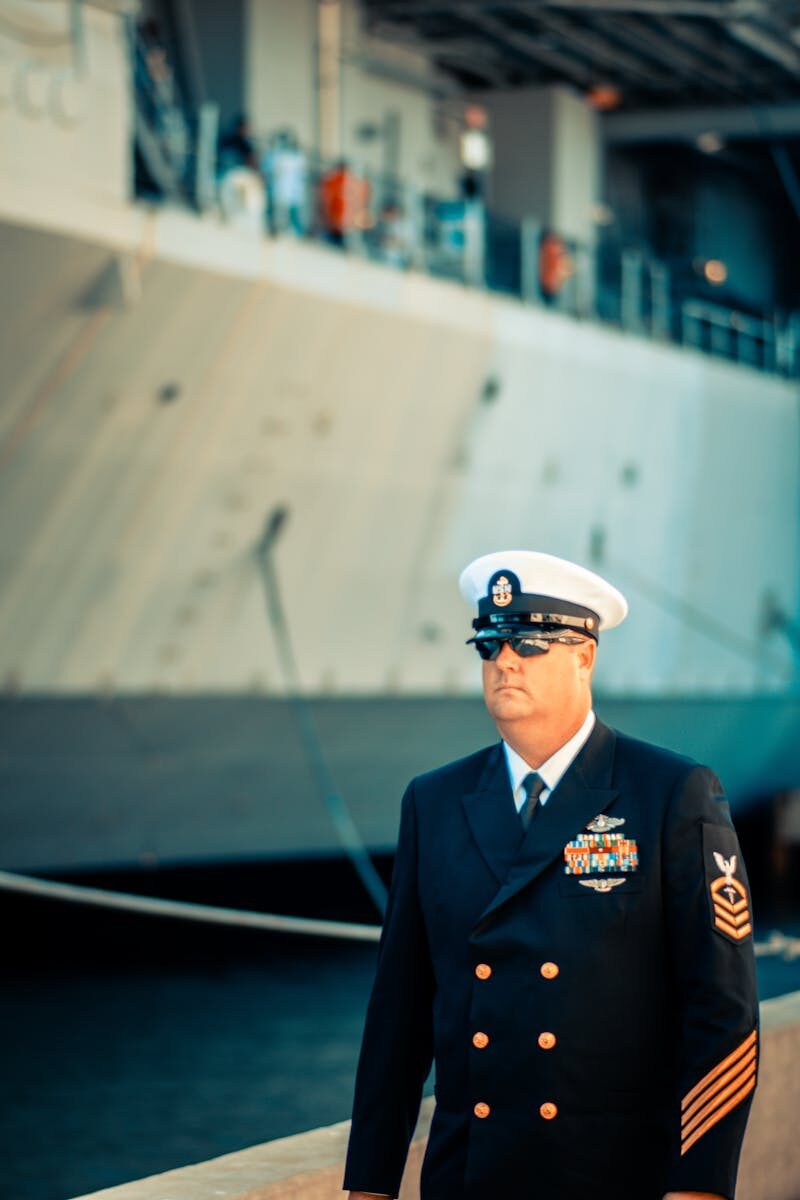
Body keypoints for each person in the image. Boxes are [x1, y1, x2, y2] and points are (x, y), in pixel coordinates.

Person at [343, 550, 758, 1200]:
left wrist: (699, 1187)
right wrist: (369, 1184)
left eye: (529, 643)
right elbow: (398, 1015)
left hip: (614, 1179)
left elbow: (722, 1010)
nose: (504, 662)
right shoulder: (433, 802)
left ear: (585, 656)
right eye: (489, 643)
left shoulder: (670, 793)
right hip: (467, 1179)